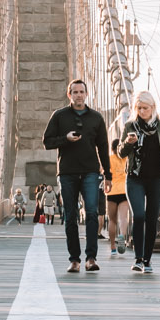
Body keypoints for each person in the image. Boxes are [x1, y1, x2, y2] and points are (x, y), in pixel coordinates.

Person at [42, 77, 111, 274]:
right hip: (67, 172)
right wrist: (66, 139)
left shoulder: (96, 118)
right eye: (75, 92)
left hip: (90, 171)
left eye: (82, 92)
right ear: (69, 94)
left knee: (91, 213)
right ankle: (74, 260)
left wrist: (108, 175)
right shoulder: (59, 116)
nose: (78, 95)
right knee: (70, 216)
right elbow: (47, 141)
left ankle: (91, 258)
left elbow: (104, 148)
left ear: (86, 94)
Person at [115, 90, 160, 275]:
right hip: (135, 178)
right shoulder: (130, 126)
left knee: (152, 219)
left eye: (145, 108)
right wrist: (128, 142)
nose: (141, 111)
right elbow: (121, 153)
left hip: (157, 178)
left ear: (153, 108)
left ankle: (148, 260)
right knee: (139, 216)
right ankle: (138, 259)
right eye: (138, 108)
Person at [105, 134, 129, 254]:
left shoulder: (109, 159)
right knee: (123, 218)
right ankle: (122, 236)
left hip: (111, 191)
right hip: (124, 191)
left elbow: (103, 172)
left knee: (112, 220)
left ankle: (113, 246)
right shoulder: (126, 159)